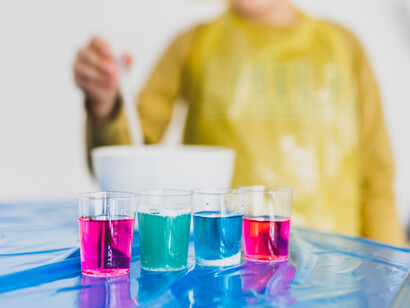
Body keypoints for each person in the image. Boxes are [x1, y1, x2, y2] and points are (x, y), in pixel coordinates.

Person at [74, 0, 406, 246]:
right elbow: (127, 162)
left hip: (336, 275)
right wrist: (105, 104)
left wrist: (395, 273)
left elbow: (376, 179)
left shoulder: (345, 48)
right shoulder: (193, 43)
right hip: (221, 276)